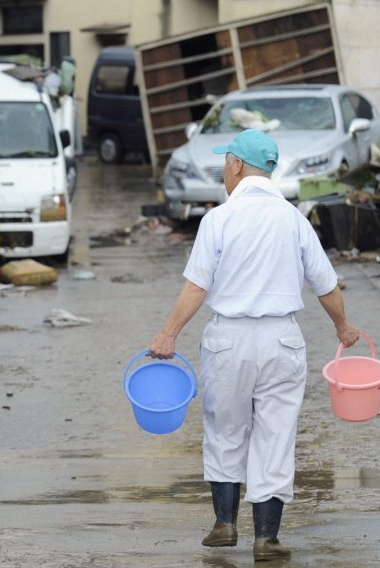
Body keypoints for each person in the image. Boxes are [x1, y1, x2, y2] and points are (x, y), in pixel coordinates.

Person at [148, 128, 360, 562]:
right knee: (276, 435)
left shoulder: (219, 220)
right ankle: (267, 537)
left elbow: (195, 288)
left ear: (238, 166)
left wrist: (168, 334)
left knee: (225, 429)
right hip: (282, 339)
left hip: (229, 339)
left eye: (226, 161)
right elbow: (326, 286)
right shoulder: (294, 220)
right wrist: (343, 328)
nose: (225, 170)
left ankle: (225, 525)